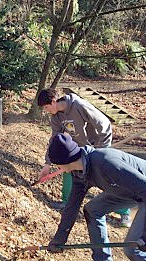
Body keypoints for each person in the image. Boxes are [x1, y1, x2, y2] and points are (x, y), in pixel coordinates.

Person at [46, 133, 146, 261]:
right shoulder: (79, 173)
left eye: (57, 165)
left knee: (133, 250)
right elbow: (72, 207)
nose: (59, 169)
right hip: (131, 193)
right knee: (93, 210)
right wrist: (59, 239)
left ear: (64, 161)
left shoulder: (105, 162)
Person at [37, 88, 132, 227]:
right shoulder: (56, 117)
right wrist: (47, 164)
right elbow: (55, 140)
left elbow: (104, 124)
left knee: (107, 177)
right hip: (79, 148)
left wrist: (102, 150)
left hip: (96, 147)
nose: (46, 111)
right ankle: (66, 202)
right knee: (67, 166)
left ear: (53, 101)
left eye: (46, 107)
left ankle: (124, 212)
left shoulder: (78, 105)